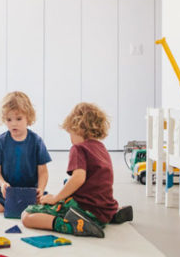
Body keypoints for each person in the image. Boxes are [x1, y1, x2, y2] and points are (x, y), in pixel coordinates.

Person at [20, 102, 133, 238]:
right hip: (104, 209)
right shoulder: (101, 148)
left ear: (78, 128)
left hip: (84, 210)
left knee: (27, 216)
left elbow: (79, 178)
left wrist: (56, 198)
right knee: (67, 183)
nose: (70, 138)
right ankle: (111, 214)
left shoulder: (78, 149)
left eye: (70, 133)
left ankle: (74, 225)